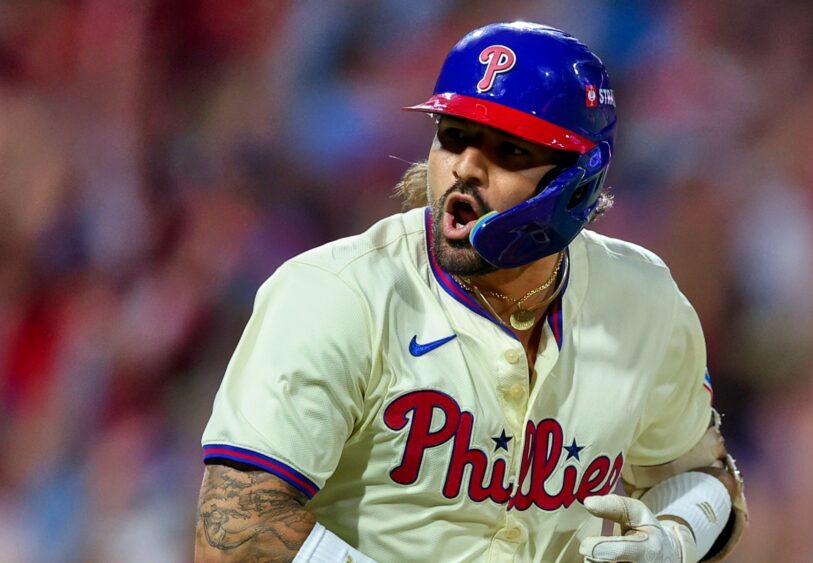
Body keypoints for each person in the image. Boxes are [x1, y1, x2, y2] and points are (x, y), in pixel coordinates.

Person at [195, 21, 747, 563]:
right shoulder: (337, 293)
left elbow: (700, 473)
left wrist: (674, 541)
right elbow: (236, 534)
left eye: (508, 150)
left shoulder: (642, 300)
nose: (465, 167)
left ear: (576, 182)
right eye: (453, 136)